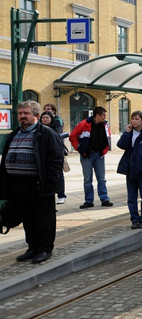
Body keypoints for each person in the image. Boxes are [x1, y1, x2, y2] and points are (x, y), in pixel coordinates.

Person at [0, 101, 64, 264]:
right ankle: (32, 247)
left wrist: (48, 182)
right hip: (17, 185)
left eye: (25, 113)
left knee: (43, 219)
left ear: (36, 115)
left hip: (38, 184)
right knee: (27, 218)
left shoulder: (46, 133)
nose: (22, 116)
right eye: (20, 113)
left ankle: (44, 249)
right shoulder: (15, 134)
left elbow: (56, 160)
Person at [117, 111, 142, 229]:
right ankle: (134, 219)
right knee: (131, 197)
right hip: (130, 171)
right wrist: (127, 132)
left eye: (136, 119)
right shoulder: (129, 133)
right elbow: (121, 145)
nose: (134, 121)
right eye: (132, 119)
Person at [69, 106, 113, 209]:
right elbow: (72, 136)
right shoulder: (84, 124)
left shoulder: (105, 125)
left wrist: (105, 149)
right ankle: (89, 201)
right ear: (97, 115)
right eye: (103, 115)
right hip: (87, 155)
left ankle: (105, 199)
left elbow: (108, 136)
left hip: (99, 154)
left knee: (101, 179)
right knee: (88, 179)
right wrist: (79, 148)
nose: (105, 118)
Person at [40, 111, 69, 206]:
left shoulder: (55, 130)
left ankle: (61, 195)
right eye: (43, 117)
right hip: (43, 159)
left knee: (58, 177)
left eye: (47, 118)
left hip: (54, 159)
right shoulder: (38, 130)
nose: (44, 119)